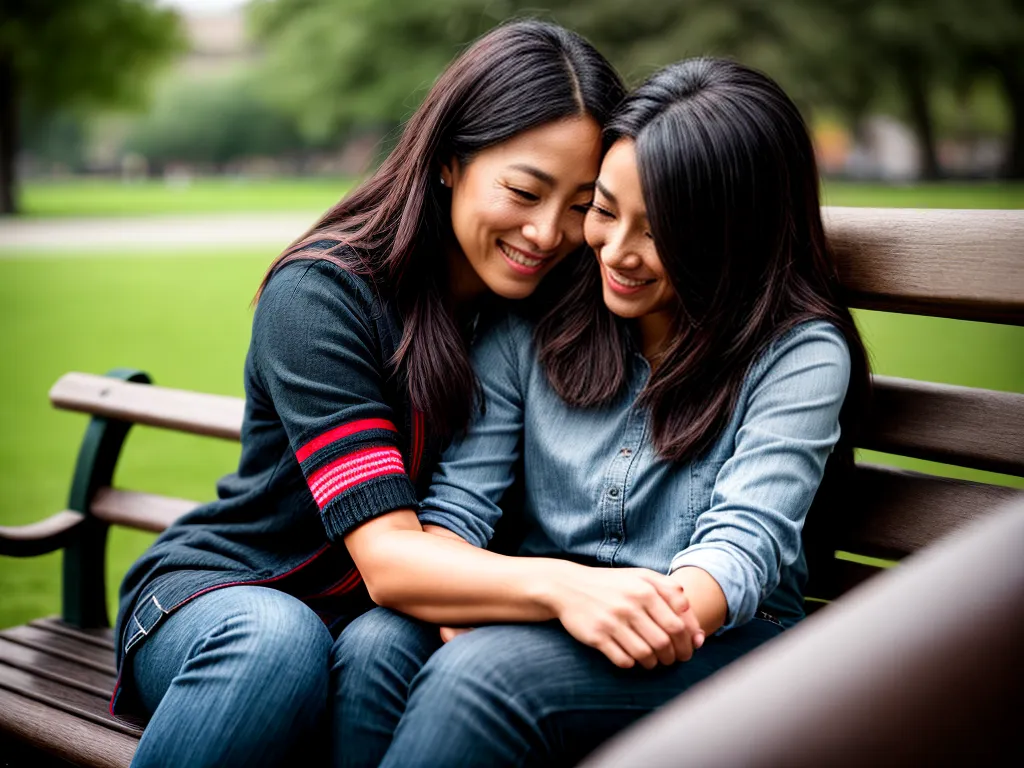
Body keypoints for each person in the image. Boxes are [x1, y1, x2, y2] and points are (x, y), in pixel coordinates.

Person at [331, 57, 871, 767]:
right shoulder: (536, 320)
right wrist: (513, 600)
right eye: (604, 210)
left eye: (659, 233)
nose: (617, 252)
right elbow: (460, 508)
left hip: (718, 638)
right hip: (548, 604)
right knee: (375, 645)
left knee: (487, 678)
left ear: (733, 234)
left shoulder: (796, 354)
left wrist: (600, 614)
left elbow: (737, 555)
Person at [113, 20, 625, 767]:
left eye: (582, 204)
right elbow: (389, 561)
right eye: (524, 190)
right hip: (225, 595)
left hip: (380, 630)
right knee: (278, 644)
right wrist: (559, 587)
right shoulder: (323, 295)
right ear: (451, 160)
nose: (549, 232)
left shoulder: (552, 311)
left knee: (376, 651)